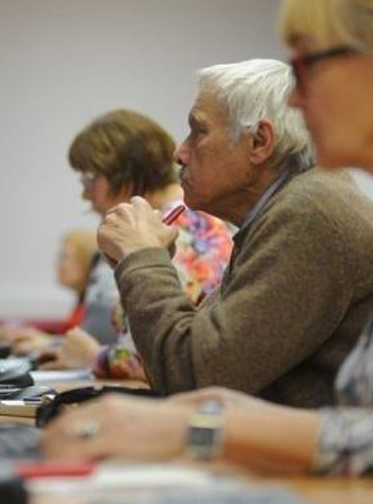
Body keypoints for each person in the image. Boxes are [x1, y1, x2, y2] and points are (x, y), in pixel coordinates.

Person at [42, 0, 373, 500]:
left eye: (309, 64)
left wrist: (207, 425)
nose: (294, 96)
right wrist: (215, 411)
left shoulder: (365, 216)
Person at [91, 59, 373, 405]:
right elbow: (184, 361)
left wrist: (143, 258)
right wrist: (143, 262)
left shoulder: (309, 214)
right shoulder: (288, 208)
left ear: (259, 142)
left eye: (198, 131)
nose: (180, 153)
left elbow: (192, 376)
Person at [40, 109, 233, 379]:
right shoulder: (174, 220)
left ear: (123, 171)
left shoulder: (183, 229)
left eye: (90, 179)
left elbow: (162, 357)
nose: (86, 194)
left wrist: (92, 357)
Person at [0, 229, 98, 355]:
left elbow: (86, 346)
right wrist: (26, 333)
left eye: (64, 257)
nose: (58, 266)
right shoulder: (83, 303)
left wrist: (47, 341)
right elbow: (64, 334)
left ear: (88, 261)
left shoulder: (96, 308)